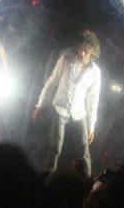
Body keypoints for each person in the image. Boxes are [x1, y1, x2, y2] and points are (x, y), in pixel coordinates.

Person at [32, 30, 101, 176]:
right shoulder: (66, 59)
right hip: (60, 109)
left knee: (84, 151)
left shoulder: (95, 72)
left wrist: (92, 125)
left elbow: (93, 100)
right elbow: (51, 82)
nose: (82, 53)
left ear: (92, 52)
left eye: (86, 51)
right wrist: (39, 104)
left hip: (79, 113)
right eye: (80, 48)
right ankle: (47, 179)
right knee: (55, 148)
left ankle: (87, 183)